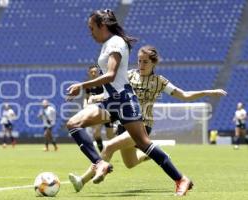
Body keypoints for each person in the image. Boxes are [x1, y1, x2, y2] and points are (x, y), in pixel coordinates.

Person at [66, 9, 194, 196]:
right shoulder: (108, 44)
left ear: (102, 26)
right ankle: (100, 162)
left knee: (144, 144)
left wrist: (82, 85)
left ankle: (180, 179)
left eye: (92, 28)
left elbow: (110, 76)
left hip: (125, 101)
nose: (90, 32)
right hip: (112, 101)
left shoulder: (116, 43)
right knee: (73, 124)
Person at [68, 45, 227, 193]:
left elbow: (184, 95)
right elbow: (114, 95)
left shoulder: (159, 81)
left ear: (153, 63)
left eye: (145, 61)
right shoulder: (129, 75)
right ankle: (151, 153)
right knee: (130, 163)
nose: (141, 64)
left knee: (109, 146)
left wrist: (208, 92)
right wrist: (96, 97)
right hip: (124, 123)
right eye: (139, 61)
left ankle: (81, 181)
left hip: (142, 125)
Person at [84, 64, 115, 152]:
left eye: (95, 72)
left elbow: (108, 95)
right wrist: (86, 104)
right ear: (89, 73)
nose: (93, 73)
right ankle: (102, 153)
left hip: (106, 111)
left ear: (98, 73)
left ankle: (117, 130)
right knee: (95, 133)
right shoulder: (88, 85)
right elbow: (86, 97)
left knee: (110, 136)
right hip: (96, 111)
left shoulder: (104, 83)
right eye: (91, 72)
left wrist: (96, 97)